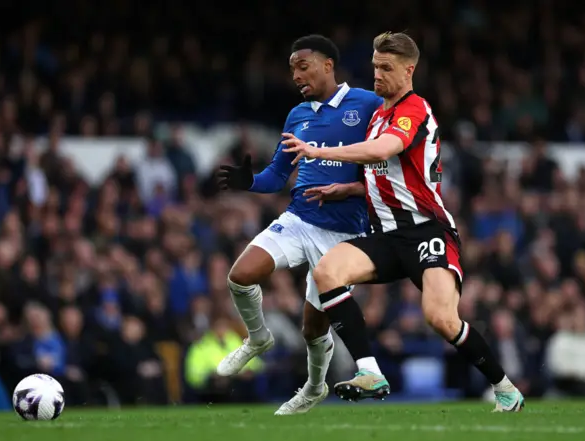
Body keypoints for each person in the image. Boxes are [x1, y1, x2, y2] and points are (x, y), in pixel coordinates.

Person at [282, 31, 525, 412]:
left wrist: (320, 150)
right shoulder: (377, 115)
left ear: (408, 70)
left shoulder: (414, 109)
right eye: (375, 66)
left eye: (386, 68)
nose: (376, 75)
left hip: (427, 231)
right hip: (386, 235)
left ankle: (505, 387)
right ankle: (370, 372)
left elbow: (385, 150)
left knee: (441, 319)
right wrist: (346, 191)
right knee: (326, 271)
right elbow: (386, 175)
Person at [216, 34, 385, 415]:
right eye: (291, 68)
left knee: (312, 330)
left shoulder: (368, 105)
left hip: (345, 234)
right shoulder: (298, 114)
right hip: (299, 219)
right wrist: (251, 182)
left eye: (302, 66)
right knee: (240, 275)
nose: (295, 75)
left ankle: (313, 388)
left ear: (328, 65)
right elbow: (278, 174)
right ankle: (258, 339)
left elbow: (386, 166)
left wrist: (351, 189)